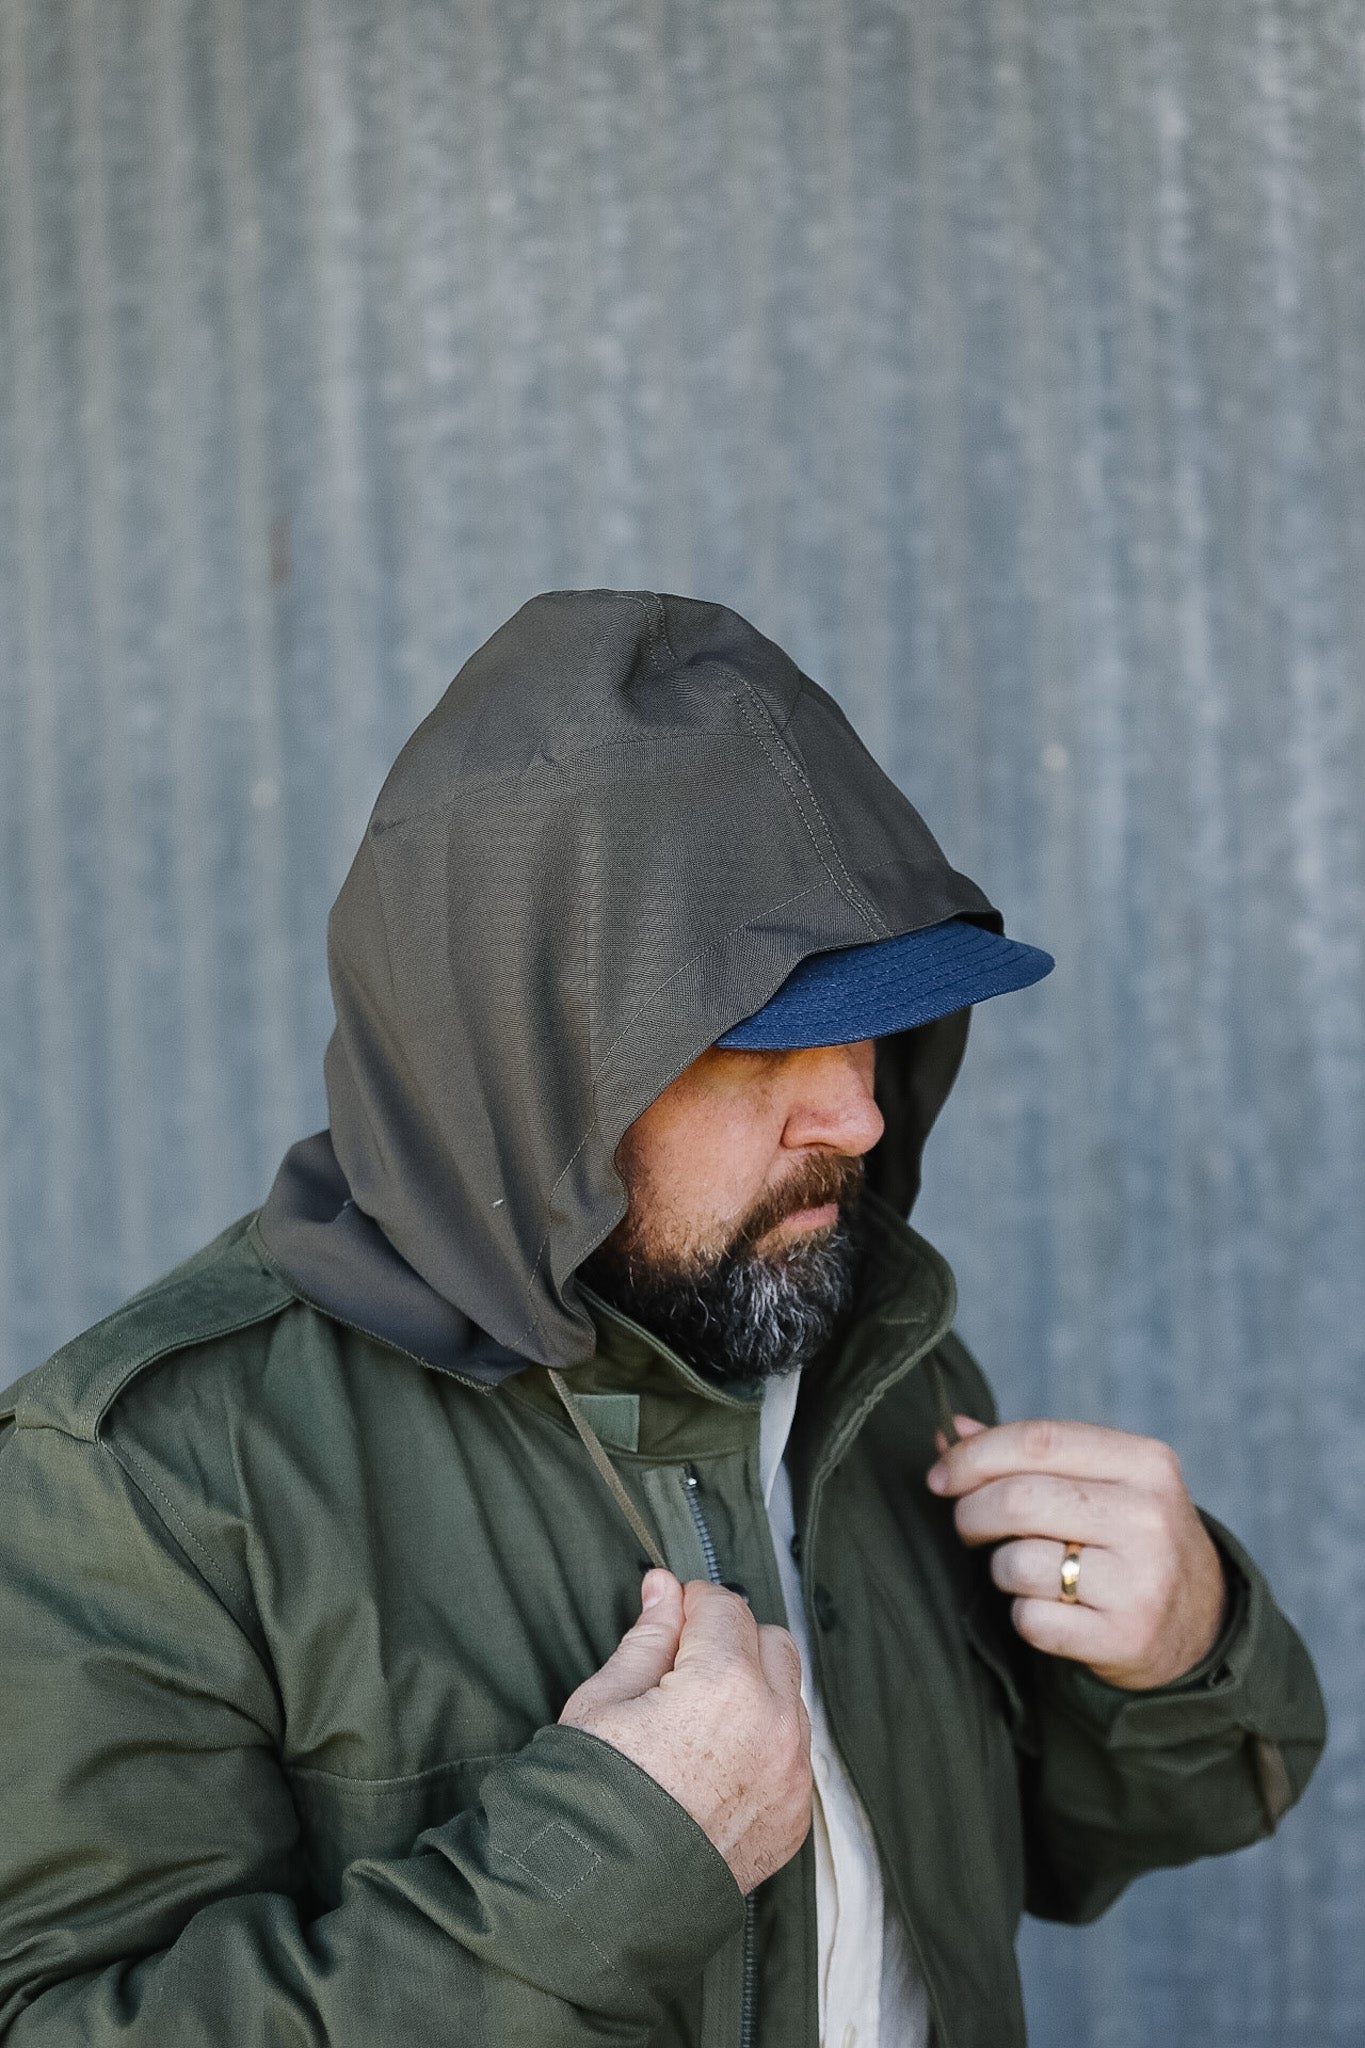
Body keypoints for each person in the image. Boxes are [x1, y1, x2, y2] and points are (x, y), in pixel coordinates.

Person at [0, 590, 1324, 2048]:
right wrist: (598, 1878)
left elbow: (1045, 1854)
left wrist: (1180, 1653)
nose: (855, 1110)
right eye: (756, 1040)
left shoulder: (857, 1347)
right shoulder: (143, 1474)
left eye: (870, 1019)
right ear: (524, 1064)